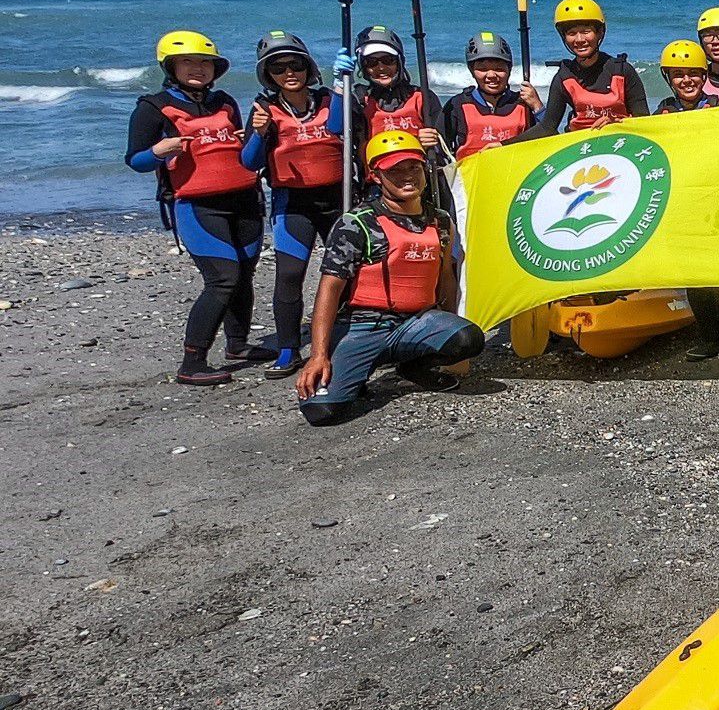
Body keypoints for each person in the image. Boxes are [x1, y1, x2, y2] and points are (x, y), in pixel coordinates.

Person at [296, 131, 485, 425]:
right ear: (375, 175)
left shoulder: (441, 220)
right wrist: (318, 355)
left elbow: (446, 275)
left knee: (467, 338)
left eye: (413, 167)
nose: (406, 176)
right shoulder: (357, 223)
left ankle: (413, 367)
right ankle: (357, 364)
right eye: (394, 170)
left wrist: (447, 332)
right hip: (362, 326)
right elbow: (329, 290)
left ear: (425, 169)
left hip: (414, 322)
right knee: (322, 413)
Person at [126, 30, 270, 384]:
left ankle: (237, 344)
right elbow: (135, 160)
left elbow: (242, 151)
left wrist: (250, 137)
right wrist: (159, 151)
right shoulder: (153, 107)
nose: (198, 69)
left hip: (245, 201)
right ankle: (192, 362)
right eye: (188, 62)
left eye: (205, 62)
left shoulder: (224, 102)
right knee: (222, 279)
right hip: (198, 206)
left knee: (244, 274)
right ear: (170, 67)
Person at [244, 31, 344, 376]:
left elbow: (339, 127)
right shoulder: (264, 110)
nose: (289, 72)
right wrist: (258, 133)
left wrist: (343, 86)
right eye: (278, 67)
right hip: (293, 203)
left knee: (347, 272)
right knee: (289, 274)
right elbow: (249, 162)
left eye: (296, 64)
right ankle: (289, 349)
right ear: (267, 74)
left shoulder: (329, 99)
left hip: (336, 199)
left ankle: (344, 335)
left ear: (308, 67)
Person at [655, 40, 719, 363]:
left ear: (704, 75)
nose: (687, 81)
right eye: (679, 75)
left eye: (693, 74)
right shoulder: (662, 112)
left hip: (717, 204)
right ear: (669, 78)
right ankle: (709, 337)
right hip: (684, 203)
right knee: (695, 276)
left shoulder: (717, 108)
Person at [518, 0, 649, 136]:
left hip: (621, 143)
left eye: (586, 32)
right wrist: (502, 145)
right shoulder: (563, 77)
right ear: (564, 37)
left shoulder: (622, 71)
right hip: (581, 149)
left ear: (600, 33)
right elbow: (547, 127)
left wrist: (615, 123)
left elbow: (644, 122)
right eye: (571, 33)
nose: (579, 39)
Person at [441, 32, 541, 160]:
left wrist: (538, 106)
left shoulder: (523, 104)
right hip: (472, 177)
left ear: (509, 70)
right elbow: (440, 148)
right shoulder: (458, 105)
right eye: (483, 69)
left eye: (499, 69)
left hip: (515, 175)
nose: (492, 75)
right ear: (472, 71)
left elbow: (549, 136)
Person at [350, 23, 445, 150]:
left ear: (400, 62)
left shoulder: (424, 98)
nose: (381, 67)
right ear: (363, 66)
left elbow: (444, 145)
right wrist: (339, 85)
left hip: (418, 168)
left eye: (388, 60)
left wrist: (432, 140)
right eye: (371, 62)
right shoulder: (359, 102)